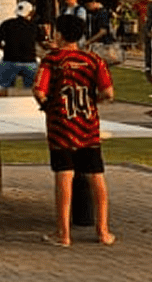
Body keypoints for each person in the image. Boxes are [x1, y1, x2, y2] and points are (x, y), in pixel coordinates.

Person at [34, 13, 116, 247]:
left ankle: (63, 233)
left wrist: (48, 106)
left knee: (64, 175)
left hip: (61, 125)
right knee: (96, 175)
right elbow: (109, 92)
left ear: (59, 34)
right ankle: (103, 230)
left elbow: (39, 90)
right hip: (88, 125)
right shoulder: (93, 60)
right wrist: (93, 102)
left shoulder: (53, 60)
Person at [0, 1, 41, 95]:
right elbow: (41, 42)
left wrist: (5, 48)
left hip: (9, 60)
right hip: (29, 61)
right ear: (30, 13)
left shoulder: (6, 24)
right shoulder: (34, 26)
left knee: (0, 87)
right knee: (32, 90)